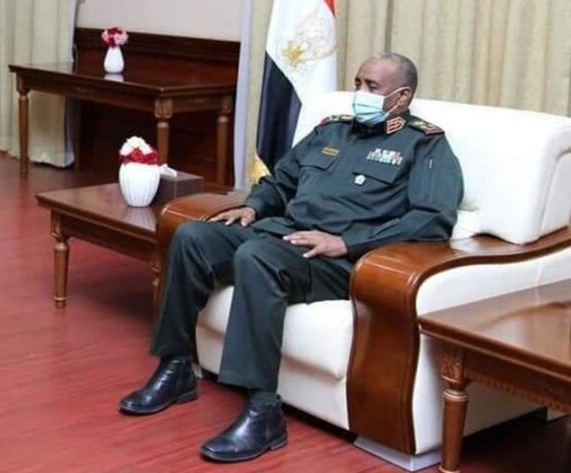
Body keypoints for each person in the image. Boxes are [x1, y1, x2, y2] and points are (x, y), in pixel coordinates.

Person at [118, 53, 464, 463]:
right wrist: (254, 206)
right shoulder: (332, 130)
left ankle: (263, 412)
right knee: (192, 237)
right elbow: (282, 180)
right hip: (282, 233)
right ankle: (175, 368)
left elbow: (431, 220)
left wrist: (347, 242)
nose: (360, 94)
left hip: (338, 260)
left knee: (257, 257)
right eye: (358, 83)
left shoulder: (424, 144)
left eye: (372, 87)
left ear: (402, 97)